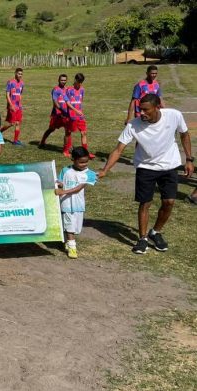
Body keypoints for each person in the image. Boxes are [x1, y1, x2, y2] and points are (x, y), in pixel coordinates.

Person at [98, 94, 193, 254]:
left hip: (169, 166)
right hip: (145, 167)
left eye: (145, 110)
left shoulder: (174, 115)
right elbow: (118, 149)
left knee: (169, 202)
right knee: (145, 203)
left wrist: (189, 159)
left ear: (157, 108)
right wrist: (105, 170)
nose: (141, 113)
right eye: (140, 109)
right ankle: (142, 239)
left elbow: (184, 134)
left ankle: (155, 232)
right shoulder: (133, 125)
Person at [56, 146, 97, 259]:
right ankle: (72, 247)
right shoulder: (65, 170)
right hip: (66, 203)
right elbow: (61, 182)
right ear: (72, 159)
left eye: (86, 162)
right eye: (81, 162)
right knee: (70, 226)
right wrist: (58, 184)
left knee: (76, 228)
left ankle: (68, 241)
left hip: (78, 204)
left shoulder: (89, 174)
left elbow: (79, 188)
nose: (84, 164)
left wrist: (63, 191)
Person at [65, 73, 94, 159]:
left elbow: (80, 101)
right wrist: (75, 110)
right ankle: (66, 150)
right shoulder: (69, 89)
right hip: (71, 115)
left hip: (80, 115)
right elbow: (67, 103)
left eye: (81, 82)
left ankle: (85, 153)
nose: (80, 84)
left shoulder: (82, 90)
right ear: (75, 80)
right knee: (68, 133)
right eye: (79, 81)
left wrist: (79, 111)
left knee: (84, 133)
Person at [39, 74, 70, 153]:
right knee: (51, 129)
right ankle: (42, 142)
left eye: (64, 80)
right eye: (62, 80)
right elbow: (55, 102)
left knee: (68, 130)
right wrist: (61, 110)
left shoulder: (67, 90)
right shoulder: (55, 90)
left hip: (65, 114)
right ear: (58, 80)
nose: (63, 82)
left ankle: (66, 149)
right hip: (57, 114)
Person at [0, 68, 24, 146]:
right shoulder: (10, 82)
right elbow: (7, 95)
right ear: (15, 73)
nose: (20, 75)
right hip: (12, 106)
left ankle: (15, 141)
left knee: (18, 123)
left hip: (18, 106)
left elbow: (20, 94)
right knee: (11, 123)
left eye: (21, 74)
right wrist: (11, 105)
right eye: (18, 73)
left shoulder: (22, 83)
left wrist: (20, 104)